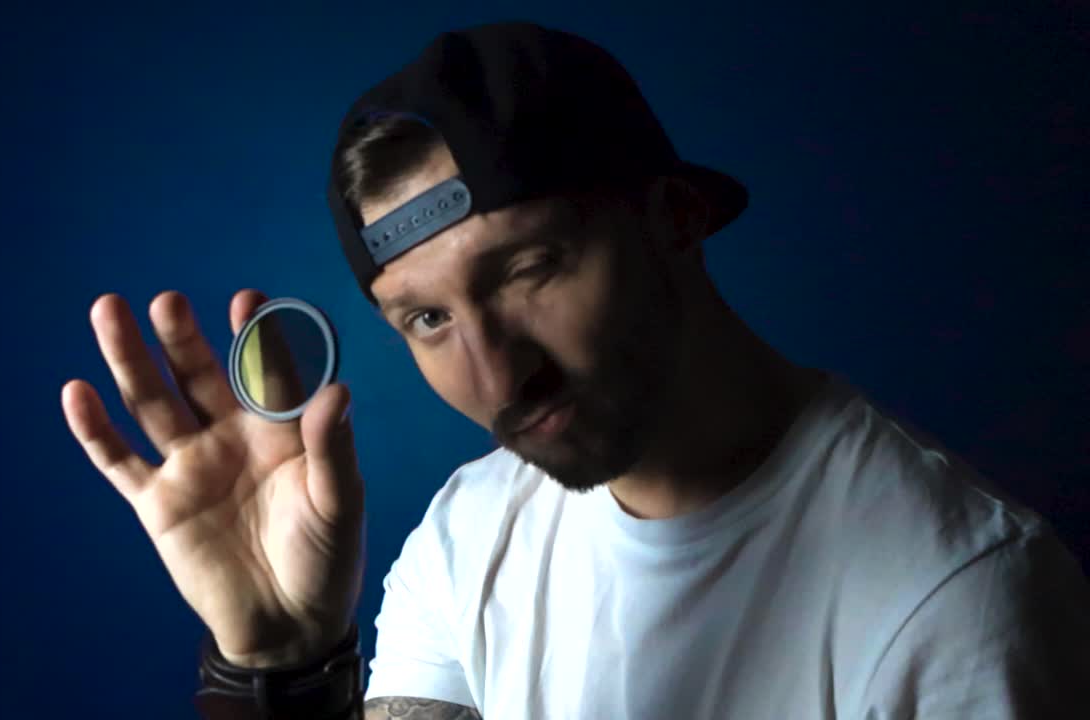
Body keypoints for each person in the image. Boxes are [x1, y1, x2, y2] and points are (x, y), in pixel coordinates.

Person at [60, 21, 1090, 720]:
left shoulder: (955, 598)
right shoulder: (469, 536)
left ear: (673, 218)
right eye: (424, 318)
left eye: (528, 270)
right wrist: (281, 670)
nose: (496, 374)